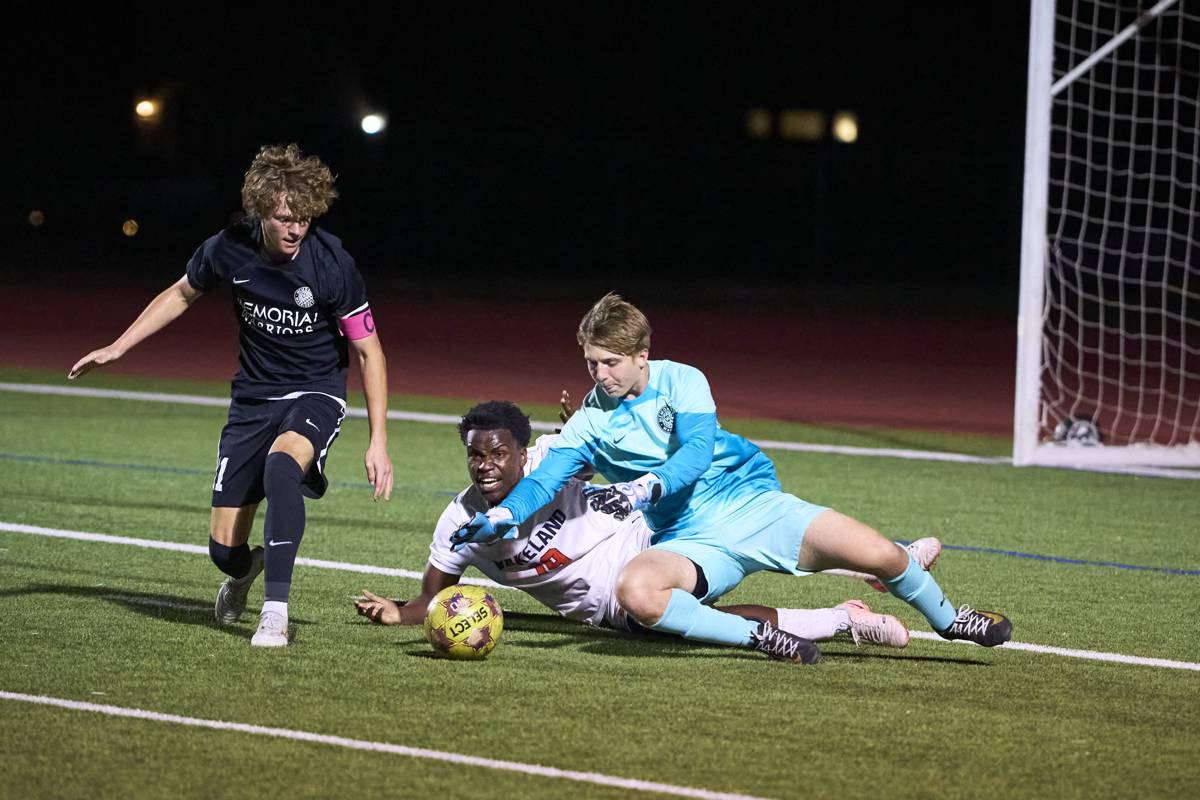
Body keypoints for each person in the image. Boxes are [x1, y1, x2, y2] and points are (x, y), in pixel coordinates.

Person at [452, 293, 1012, 664]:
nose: (598, 375)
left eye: (608, 363)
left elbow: (695, 454)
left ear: (642, 355)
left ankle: (950, 620)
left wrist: (644, 487)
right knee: (636, 592)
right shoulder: (593, 420)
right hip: (690, 539)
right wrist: (502, 514)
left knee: (884, 557)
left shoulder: (684, 381)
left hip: (754, 506)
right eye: (590, 363)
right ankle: (761, 636)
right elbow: (544, 478)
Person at [69, 143, 394, 647]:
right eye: (284, 218)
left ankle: (275, 612)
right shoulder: (227, 248)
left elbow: (371, 354)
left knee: (283, 468)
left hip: (316, 393)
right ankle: (245, 572)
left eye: (304, 218)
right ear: (258, 211)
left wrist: (378, 441)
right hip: (252, 401)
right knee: (224, 551)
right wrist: (118, 347)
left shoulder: (333, 265)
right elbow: (180, 294)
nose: (295, 229)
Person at [357, 401, 934, 657]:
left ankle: (886, 561)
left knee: (742, 529)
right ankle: (844, 619)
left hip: (650, 535)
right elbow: (433, 597)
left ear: (520, 452)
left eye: (497, 454)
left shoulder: (550, 459)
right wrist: (400, 613)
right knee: (689, 626)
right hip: (609, 607)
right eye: (475, 458)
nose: (485, 467)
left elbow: (608, 448)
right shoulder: (462, 521)